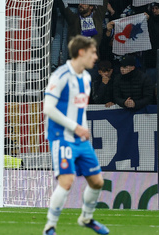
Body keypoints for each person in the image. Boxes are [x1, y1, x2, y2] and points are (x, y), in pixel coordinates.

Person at [42, 35, 108, 235]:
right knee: (67, 181)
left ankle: (86, 218)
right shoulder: (60, 76)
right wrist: (74, 127)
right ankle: (50, 226)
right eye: (92, 52)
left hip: (80, 140)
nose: (95, 57)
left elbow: (80, 109)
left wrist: (83, 129)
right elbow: (48, 108)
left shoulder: (86, 78)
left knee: (97, 182)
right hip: (61, 137)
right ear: (81, 52)